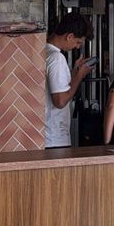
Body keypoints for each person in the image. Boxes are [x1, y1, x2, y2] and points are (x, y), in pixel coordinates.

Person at [44, 14, 94, 148]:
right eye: (78, 42)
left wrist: (74, 72)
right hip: (54, 138)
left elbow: (56, 85)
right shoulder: (56, 58)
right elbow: (60, 101)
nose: (77, 47)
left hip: (46, 135)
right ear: (70, 36)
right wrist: (79, 76)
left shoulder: (44, 52)